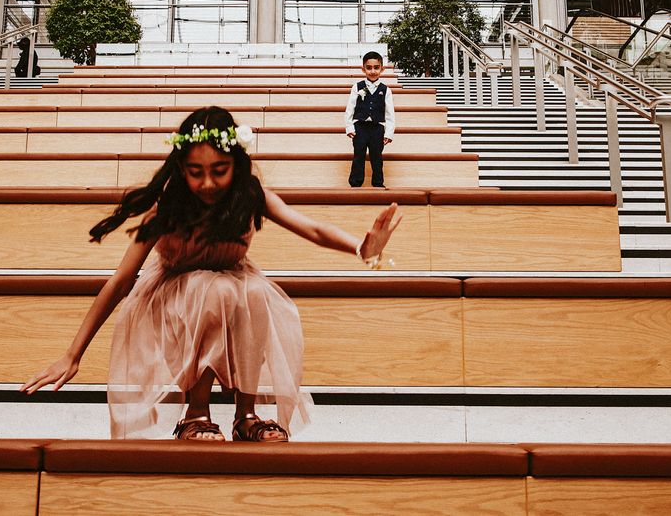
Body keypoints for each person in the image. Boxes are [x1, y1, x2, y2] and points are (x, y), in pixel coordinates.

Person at [21, 106, 401, 442]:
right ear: (181, 169)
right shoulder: (167, 208)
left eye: (219, 171)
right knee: (213, 288)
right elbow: (121, 281)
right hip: (174, 300)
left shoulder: (250, 194)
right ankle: (196, 413)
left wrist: (362, 248)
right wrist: (72, 355)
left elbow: (312, 228)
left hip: (233, 292)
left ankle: (245, 414)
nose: (207, 183)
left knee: (252, 290)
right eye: (195, 172)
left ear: (236, 164)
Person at [345, 51, 395, 188]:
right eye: (369, 68)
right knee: (358, 156)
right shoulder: (357, 87)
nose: (373, 71)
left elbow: (390, 114)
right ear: (363, 69)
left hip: (377, 128)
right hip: (359, 128)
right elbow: (350, 109)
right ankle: (355, 183)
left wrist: (388, 133)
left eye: (376, 67)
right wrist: (349, 127)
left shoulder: (386, 90)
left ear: (382, 69)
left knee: (377, 157)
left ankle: (378, 184)